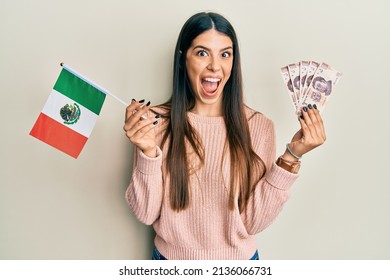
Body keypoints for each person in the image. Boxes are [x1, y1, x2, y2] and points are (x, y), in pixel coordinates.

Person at [123, 12, 326, 260]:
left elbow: (252, 223)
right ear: (182, 59)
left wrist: (292, 156)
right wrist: (148, 153)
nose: (215, 66)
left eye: (225, 54)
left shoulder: (259, 127)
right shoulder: (154, 123)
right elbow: (145, 213)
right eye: (201, 53)